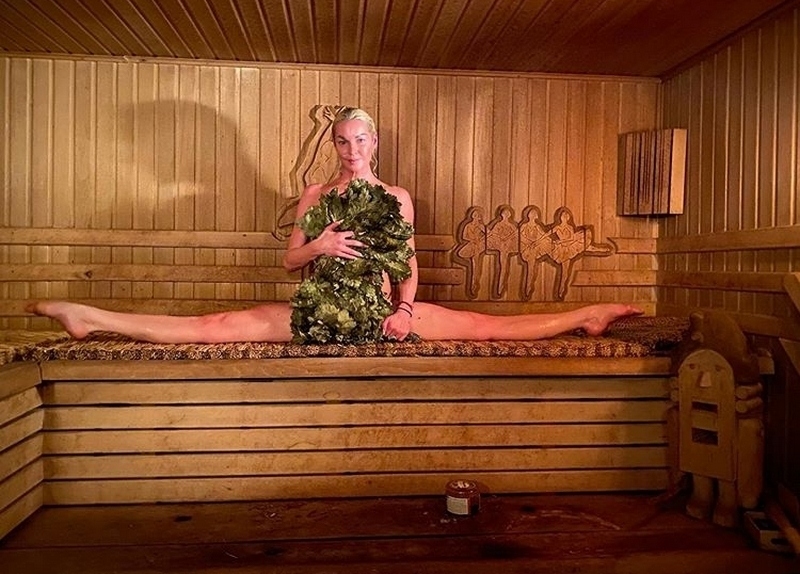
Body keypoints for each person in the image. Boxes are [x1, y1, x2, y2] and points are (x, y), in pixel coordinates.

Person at [27, 107, 641, 344]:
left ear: (374, 143)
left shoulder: (396, 197)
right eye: (342, 141)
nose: (351, 149)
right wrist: (318, 243)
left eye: (360, 139)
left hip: (379, 313)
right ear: (336, 145)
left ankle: (586, 315)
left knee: (484, 327)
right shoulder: (315, 195)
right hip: (317, 309)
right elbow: (289, 262)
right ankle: (89, 317)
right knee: (214, 326)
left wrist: (404, 311)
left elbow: (407, 264)